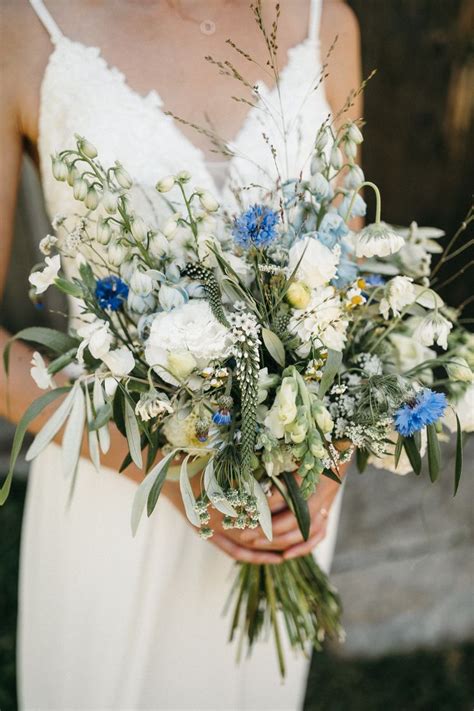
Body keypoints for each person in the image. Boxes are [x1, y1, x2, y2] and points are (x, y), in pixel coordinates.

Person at [0, 1, 362, 708]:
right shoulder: (22, 27)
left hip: (280, 502)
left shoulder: (328, 24)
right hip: (116, 489)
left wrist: (331, 451)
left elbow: (348, 289)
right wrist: (171, 472)